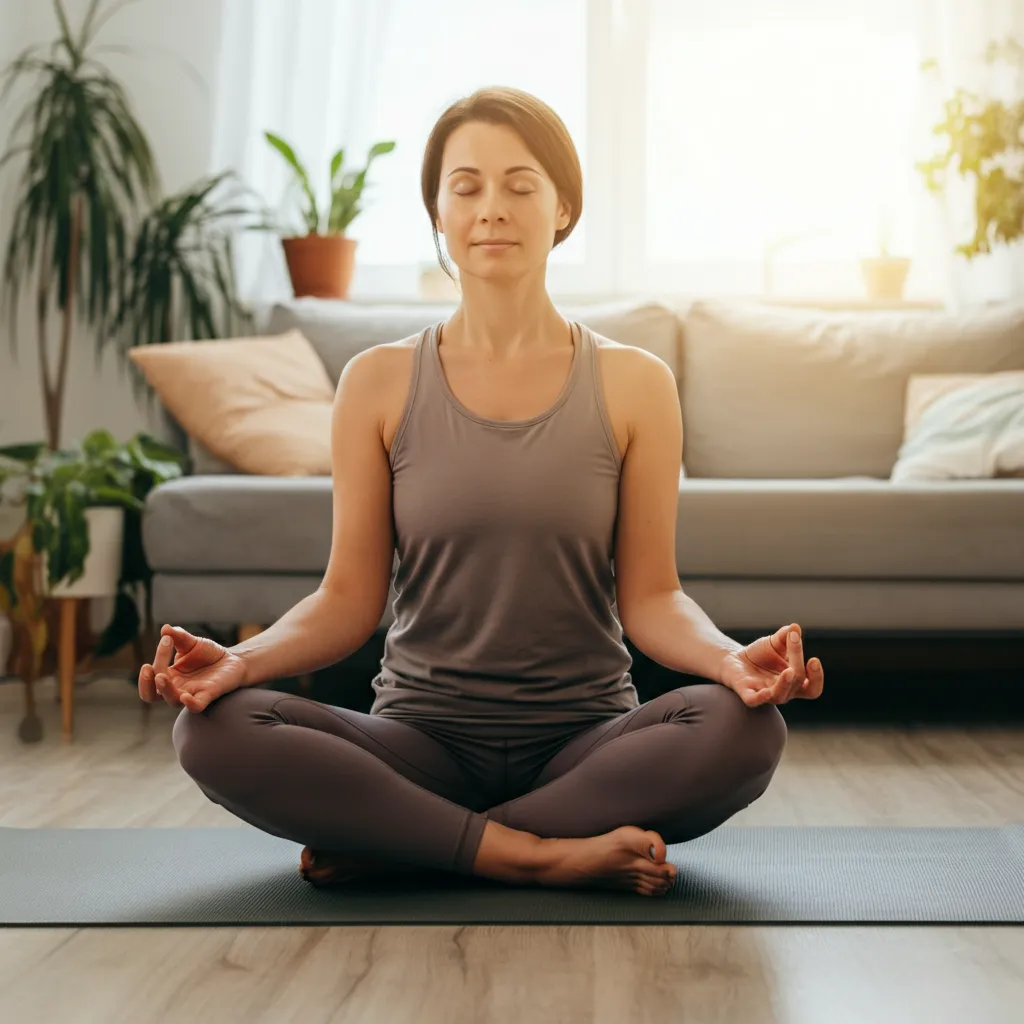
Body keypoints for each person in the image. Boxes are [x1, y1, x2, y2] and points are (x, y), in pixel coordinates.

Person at [138, 86, 824, 898]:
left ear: (563, 206)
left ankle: (410, 840)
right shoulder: (377, 383)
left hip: (585, 742)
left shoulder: (637, 384)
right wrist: (240, 662)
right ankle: (534, 854)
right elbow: (348, 599)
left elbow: (653, 597)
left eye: (520, 185)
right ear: (436, 208)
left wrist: (727, 660)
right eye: (466, 187)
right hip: (419, 743)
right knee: (213, 730)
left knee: (744, 733)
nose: (491, 208)